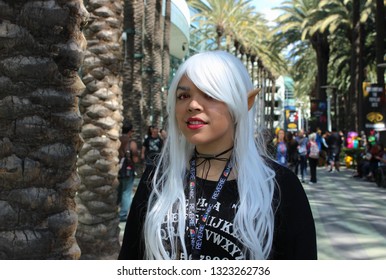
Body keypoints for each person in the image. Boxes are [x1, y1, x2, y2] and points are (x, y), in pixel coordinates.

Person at [118, 50, 317, 260]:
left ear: (243, 103)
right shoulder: (157, 177)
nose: (193, 105)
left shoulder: (280, 186)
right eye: (183, 96)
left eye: (210, 94)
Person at [117, 121, 139, 222]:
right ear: (130, 131)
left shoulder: (116, 140)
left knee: (118, 191)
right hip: (128, 170)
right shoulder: (131, 142)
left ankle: (115, 211)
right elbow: (135, 158)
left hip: (117, 169)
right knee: (126, 192)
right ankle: (123, 214)